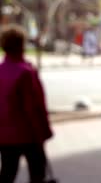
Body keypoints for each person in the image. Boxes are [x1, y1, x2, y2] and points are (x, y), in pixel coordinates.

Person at [0, 25, 53, 183]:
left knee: (7, 172)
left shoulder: (1, 70)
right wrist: (43, 133)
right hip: (28, 133)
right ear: (21, 45)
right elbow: (33, 107)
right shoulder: (26, 72)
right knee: (37, 172)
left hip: (4, 134)